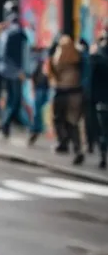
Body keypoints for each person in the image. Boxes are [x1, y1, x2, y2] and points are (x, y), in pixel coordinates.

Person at [48, 35, 84, 165]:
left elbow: (51, 71)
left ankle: (63, 142)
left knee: (58, 119)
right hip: (76, 94)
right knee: (72, 122)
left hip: (61, 92)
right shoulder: (77, 58)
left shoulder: (59, 57)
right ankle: (77, 148)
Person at [0, 1, 29, 137]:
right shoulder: (17, 31)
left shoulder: (6, 30)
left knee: (10, 98)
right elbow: (18, 53)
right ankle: (4, 124)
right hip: (14, 71)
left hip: (4, 69)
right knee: (14, 99)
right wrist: (20, 71)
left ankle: (5, 123)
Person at [89, 35, 108, 169]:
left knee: (103, 130)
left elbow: (91, 80)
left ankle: (103, 156)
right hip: (102, 98)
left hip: (101, 99)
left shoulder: (97, 60)